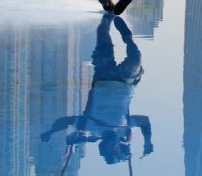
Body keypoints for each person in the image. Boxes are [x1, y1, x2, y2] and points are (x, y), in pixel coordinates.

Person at [41, 15, 154, 166]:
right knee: (136, 58)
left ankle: (107, 17)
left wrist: (50, 132)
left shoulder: (89, 126)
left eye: (110, 148)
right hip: (125, 80)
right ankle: (128, 38)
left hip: (103, 76)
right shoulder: (124, 128)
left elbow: (65, 121)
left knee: (102, 37)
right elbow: (144, 121)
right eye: (116, 148)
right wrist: (147, 141)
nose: (113, 145)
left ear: (103, 147)